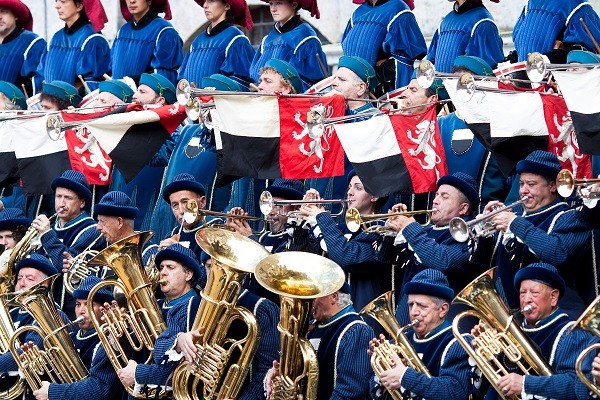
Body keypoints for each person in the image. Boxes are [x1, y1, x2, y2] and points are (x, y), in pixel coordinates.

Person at [471, 150, 592, 317]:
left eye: (531, 184)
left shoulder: (569, 217)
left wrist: (515, 224)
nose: (523, 191)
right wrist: (482, 232)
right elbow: (481, 264)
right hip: (511, 316)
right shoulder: (516, 217)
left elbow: (556, 253)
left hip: (556, 316)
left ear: (552, 186)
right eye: (521, 184)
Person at [471, 262, 597, 400]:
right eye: (522, 293)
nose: (526, 299)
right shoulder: (510, 328)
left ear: (553, 297)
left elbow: (575, 384)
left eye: (534, 293)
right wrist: (486, 357)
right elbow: (482, 390)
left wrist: (526, 384)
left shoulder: (571, 333)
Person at [172, 251, 280, 399]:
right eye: (210, 266)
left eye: (224, 267)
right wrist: (179, 341)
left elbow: (267, 368)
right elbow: (159, 351)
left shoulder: (261, 308)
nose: (217, 275)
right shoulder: (187, 307)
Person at [378, 172, 479, 325]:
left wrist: (409, 228)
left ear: (463, 208)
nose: (436, 201)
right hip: (407, 314)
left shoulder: (468, 233)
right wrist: (391, 231)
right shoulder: (423, 231)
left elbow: (441, 261)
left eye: (444, 197)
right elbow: (387, 258)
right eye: (436, 195)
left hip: (444, 321)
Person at [149, 74, 240, 242]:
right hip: (171, 217)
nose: (203, 107)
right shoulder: (187, 131)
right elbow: (156, 158)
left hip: (205, 224)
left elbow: (236, 195)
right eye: (202, 101)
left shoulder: (233, 139)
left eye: (209, 102)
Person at [300, 170, 390, 334]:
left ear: (374, 196)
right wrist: (309, 216)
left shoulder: (381, 230)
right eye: (349, 187)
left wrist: (322, 218)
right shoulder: (338, 229)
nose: (349, 192)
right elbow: (316, 259)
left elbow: (347, 256)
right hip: (330, 315)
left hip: (361, 317)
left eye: (358, 188)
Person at [370, 269, 473, 400]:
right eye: (411, 305)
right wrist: (383, 372)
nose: (413, 312)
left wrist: (404, 376)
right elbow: (375, 394)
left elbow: (454, 391)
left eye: (421, 306)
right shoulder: (402, 340)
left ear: (443, 309)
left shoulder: (458, 341)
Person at [115, 243, 201, 397]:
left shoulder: (194, 306)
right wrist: (118, 333)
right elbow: (138, 349)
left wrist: (138, 373)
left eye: (170, 267)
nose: (163, 272)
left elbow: (182, 370)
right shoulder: (155, 305)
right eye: (161, 268)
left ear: (188, 274)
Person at [265, 282, 374, 399]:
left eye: (315, 295)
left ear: (334, 297)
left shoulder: (356, 330)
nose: (310, 300)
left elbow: (351, 392)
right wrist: (281, 373)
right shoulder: (313, 327)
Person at [225, 59, 302, 222]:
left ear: (286, 89)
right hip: (243, 206)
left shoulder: (296, 127)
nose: (259, 86)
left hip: (275, 212)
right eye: (260, 81)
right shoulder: (252, 121)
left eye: (268, 81)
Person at [32, 275, 125, 400]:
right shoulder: (70, 338)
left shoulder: (110, 340)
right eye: (78, 304)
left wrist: (54, 392)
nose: (81, 310)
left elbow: (99, 389)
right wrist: (37, 365)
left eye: (88, 305)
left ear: (103, 309)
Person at [305, 55, 378, 211]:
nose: (334, 83)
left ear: (361, 88)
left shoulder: (375, 119)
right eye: (335, 78)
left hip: (347, 207)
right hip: (316, 199)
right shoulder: (327, 112)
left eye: (342, 80)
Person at [109, 73, 179, 231]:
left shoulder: (174, 129)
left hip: (147, 207)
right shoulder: (130, 120)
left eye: (142, 92)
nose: (135, 96)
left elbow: (160, 158)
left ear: (160, 100)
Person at [438, 55, 508, 211]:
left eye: (466, 82)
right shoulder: (440, 124)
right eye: (456, 83)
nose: (460, 89)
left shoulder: (498, 123)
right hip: (445, 211)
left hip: (487, 208)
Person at [31, 170, 104, 317]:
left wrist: (46, 236)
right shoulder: (50, 228)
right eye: (58, 197)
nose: (61, 203)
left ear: (82, 202)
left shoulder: (91, 230)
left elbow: (66, 265)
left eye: (68, 198)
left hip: (70, 312)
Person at [228, 178, 308, 303]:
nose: (271, 212)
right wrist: (235, 236)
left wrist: (250, 240)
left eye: (278, 206)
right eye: (269, 205)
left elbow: (277, 272)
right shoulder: (263, 237)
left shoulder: (298, 239)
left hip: (276, 307)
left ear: (296, 208)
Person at [0, 254, 71, 379]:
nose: (21, 283)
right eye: (19, 278)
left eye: (30, 279)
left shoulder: (53, 314)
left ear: (45, 285)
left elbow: (29, 352)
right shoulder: (12, 313)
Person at [341, 0, 427, 93]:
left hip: (383, 88)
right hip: (353, 85)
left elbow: (405, 57)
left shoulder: (397, 9)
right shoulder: (357, 13)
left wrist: (381, 71)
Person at [249, 0, 328, 91]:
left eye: (279, 3)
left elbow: (313, 83)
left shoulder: (305, 37)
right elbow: (254, 75)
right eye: (271, 4)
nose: (273, 9)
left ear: (294, 4)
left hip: (291, 102)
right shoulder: (267, 40)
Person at [178, 0, 254, 87]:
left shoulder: (236, 39)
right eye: (204, 1)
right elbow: (182, 78)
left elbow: (240, 84)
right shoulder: (197, 41)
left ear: (227, 6)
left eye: (212, 1)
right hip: (192, 100)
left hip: (217, 100)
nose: (205, 5)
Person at [38, 0, 110, 90]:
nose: (57, 6)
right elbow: (42, 75)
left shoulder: (92, 39)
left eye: (63, 1)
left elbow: (92, 85)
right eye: (56, 1)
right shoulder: (56, 38)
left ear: (79, 6)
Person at [111, 0, 183, 85]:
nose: (132, 1)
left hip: (147, 97)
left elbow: (165, 75)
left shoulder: (164, 31)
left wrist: (130, 82)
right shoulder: (122, 32)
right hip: (118, 97)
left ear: (149, 1)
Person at [427, 0, 504, 73]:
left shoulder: (482, 22)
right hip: (442, 86)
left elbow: (486, 72)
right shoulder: (445, 22)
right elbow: (431, 61)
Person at [512, 0, 600, 63]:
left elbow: (518, 39)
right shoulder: (530, 4)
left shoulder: (530, 4)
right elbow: (521, 45)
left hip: (548, 79)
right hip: (537, 78)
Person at [0, 0, 45, 94]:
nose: (0, 17)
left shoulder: (32, 43)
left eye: (4, 11)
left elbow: (38, 81)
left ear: (16, 15)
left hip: (17, 106)